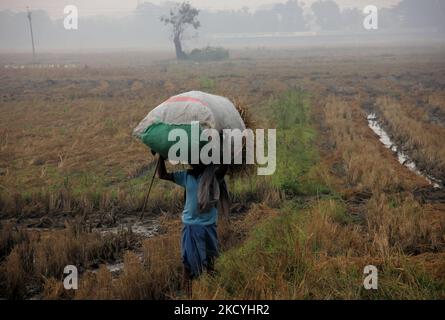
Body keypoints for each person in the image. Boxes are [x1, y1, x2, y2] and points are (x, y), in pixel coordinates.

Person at [156, 156, 228, 297]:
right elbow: (162, 175)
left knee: (211, 262)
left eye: (198, 160)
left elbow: (224, 168)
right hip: (190, 227)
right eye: (193, 161)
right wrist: (160, 157)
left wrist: (225, 153)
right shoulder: (186, 176)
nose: (194, 163)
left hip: (208, 226)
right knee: (187, 265)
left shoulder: (213, 176)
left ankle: (212, 294)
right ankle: (188, 297)